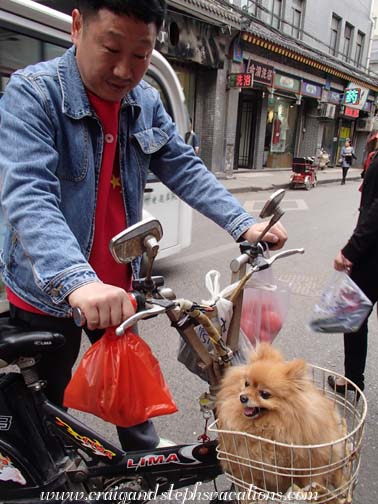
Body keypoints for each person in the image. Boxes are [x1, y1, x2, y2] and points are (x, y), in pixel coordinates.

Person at [0, 0, 287, 451]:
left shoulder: (145, 102)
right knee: (48, 409)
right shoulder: (33, 93)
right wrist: (78, 282)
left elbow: (184, 167)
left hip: (117, 287)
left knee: (129, 384)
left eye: (140, 55)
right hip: (49, 289)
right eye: (111, 48)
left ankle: (142, 464)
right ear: (77, 27)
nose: (123, 70)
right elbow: (29, 195)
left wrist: (243, 223)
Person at [328, 146, 378, 396]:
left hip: (372, 257)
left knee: (353, 317)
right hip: (369, 254)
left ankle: (354, 381)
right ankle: (353, 379)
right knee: (354, 320)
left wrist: (350, 251)